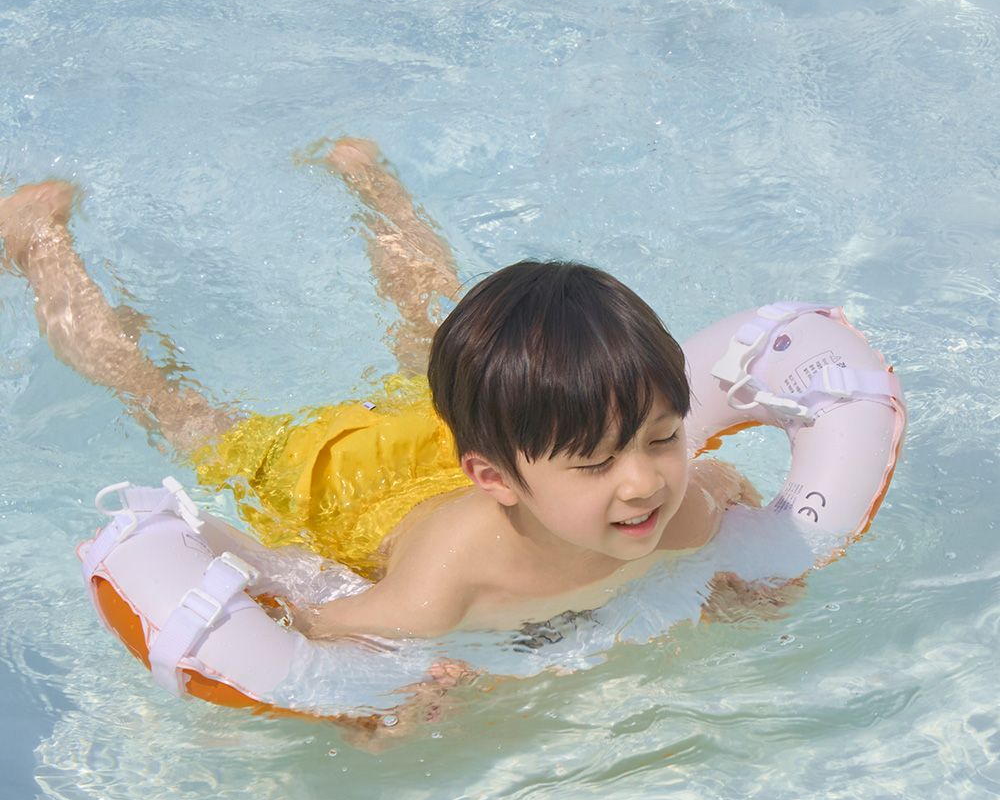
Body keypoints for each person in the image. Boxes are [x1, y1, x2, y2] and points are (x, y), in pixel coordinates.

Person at [0, 138, 759, 643]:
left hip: (448, 439)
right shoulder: (448, 581)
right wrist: (388, 697)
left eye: (663, 437)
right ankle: (40, 244)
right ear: (495, 479)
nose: (644, 482)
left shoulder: (684, 507)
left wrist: (734, 578)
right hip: (343, 483)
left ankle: (369, 179)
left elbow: (729, 484)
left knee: (432, 337)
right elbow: (313, 629)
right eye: (596, 464)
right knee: (176, 409)